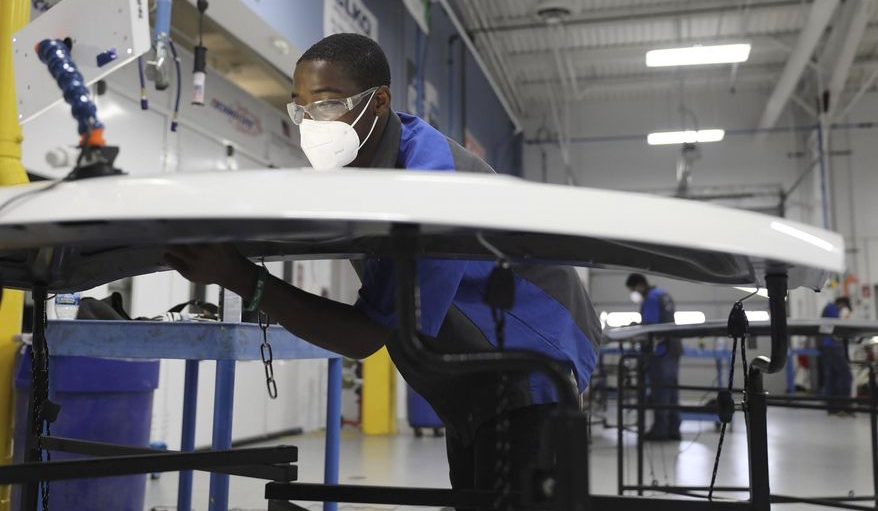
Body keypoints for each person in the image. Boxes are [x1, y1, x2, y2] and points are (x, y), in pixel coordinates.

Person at [165, 33, 603, 497]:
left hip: (530, 364)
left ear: (379, 102)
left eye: (329, 105)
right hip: (469, 376)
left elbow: (364, 336)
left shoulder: (431, 182)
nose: (312, 122)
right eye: (301, 108)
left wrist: (239, 275)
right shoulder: (356, 171)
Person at [625, 273, 682, 441]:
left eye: (633, 289)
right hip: (673, 347)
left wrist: (634, 327)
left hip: (660, 350)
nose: (635, 293)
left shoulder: (650, 298)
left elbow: (650, 325)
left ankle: (660, 431)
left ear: (640, 285)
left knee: (660, 391)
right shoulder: (663, 294)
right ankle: (674, 429)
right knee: (672, 391)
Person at [820, 296, 854, 416]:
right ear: (842, 304)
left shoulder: (828, 308)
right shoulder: (832, 308)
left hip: (828, 346)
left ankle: (832, 407)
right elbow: (840, 324)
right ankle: (844, 405)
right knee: (845, 375)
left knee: (831, 376)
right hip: (833, 346)